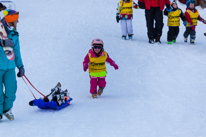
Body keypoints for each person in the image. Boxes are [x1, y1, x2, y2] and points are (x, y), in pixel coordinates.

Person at [0, 9, 25, 121]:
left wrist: (20, 66)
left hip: (10, 67)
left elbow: (17, 50)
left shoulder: (14, 34)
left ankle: (6, 109)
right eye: (16, 20)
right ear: (11, 20)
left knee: (11, 90)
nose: (18, 22)